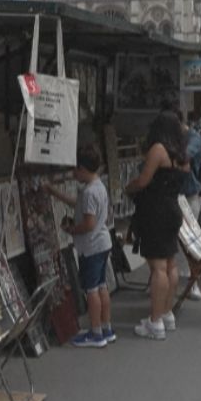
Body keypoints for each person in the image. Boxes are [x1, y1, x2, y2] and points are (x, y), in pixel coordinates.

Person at [126, 111, 191, 340]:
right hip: (173, 209)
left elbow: (144, 180)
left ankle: (155, 322)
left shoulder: (158, 150)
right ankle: (166, 313)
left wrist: (128, 187)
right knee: (171, 263)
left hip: (156, 211)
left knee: (158, 267)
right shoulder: (182, 156)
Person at [46, 145, 115, 348]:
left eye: (75, 169)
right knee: (102, 287)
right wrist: (54, 193)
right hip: (103, 243)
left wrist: (71, 230)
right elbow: (78, 204)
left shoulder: (88, 193)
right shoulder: (98, 187)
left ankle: (95, 333)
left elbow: (88, 224)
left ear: (83, 169)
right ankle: (106, 327)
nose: (73, 173)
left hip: (91, 246)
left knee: (91, 289)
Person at [180, 112, 201, 301]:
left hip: (189, 193)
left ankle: (193, 282)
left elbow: (185, 158)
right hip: (173, 193)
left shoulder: (194, 139)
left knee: (190, 240)